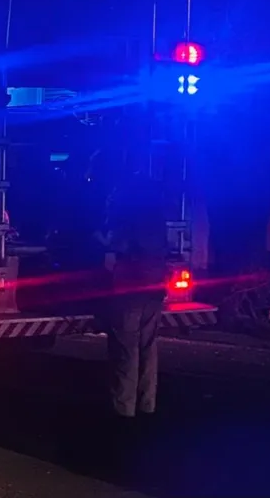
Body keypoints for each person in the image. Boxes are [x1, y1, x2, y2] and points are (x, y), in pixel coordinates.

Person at [103, 169, 170, 419]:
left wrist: (99, 238)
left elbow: (116, 244)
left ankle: (124, 409)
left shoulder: (127, 216)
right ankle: (147, 404)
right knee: (148, 349)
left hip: (129, 290)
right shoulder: (157, 218)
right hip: (154, 289)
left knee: (126, 349)